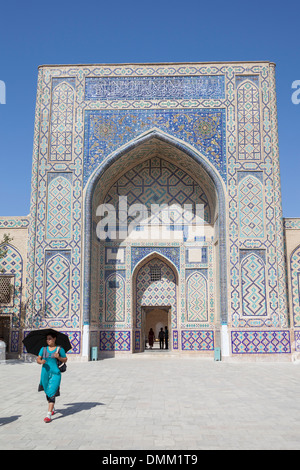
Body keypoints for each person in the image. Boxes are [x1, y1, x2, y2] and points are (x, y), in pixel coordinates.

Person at [37, 333, 67, 423]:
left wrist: (59, 357)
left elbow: (65, 359)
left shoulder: (59, 349)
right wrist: (41, 361)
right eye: (47, 339)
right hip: (45, 374)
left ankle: (48, 414)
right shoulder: (43, 349)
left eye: (50, 339)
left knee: (52, 391)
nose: (48, 340)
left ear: (54, 339)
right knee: (47, 391)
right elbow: (38, 359)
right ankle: (52, 407)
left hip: (56, 374)